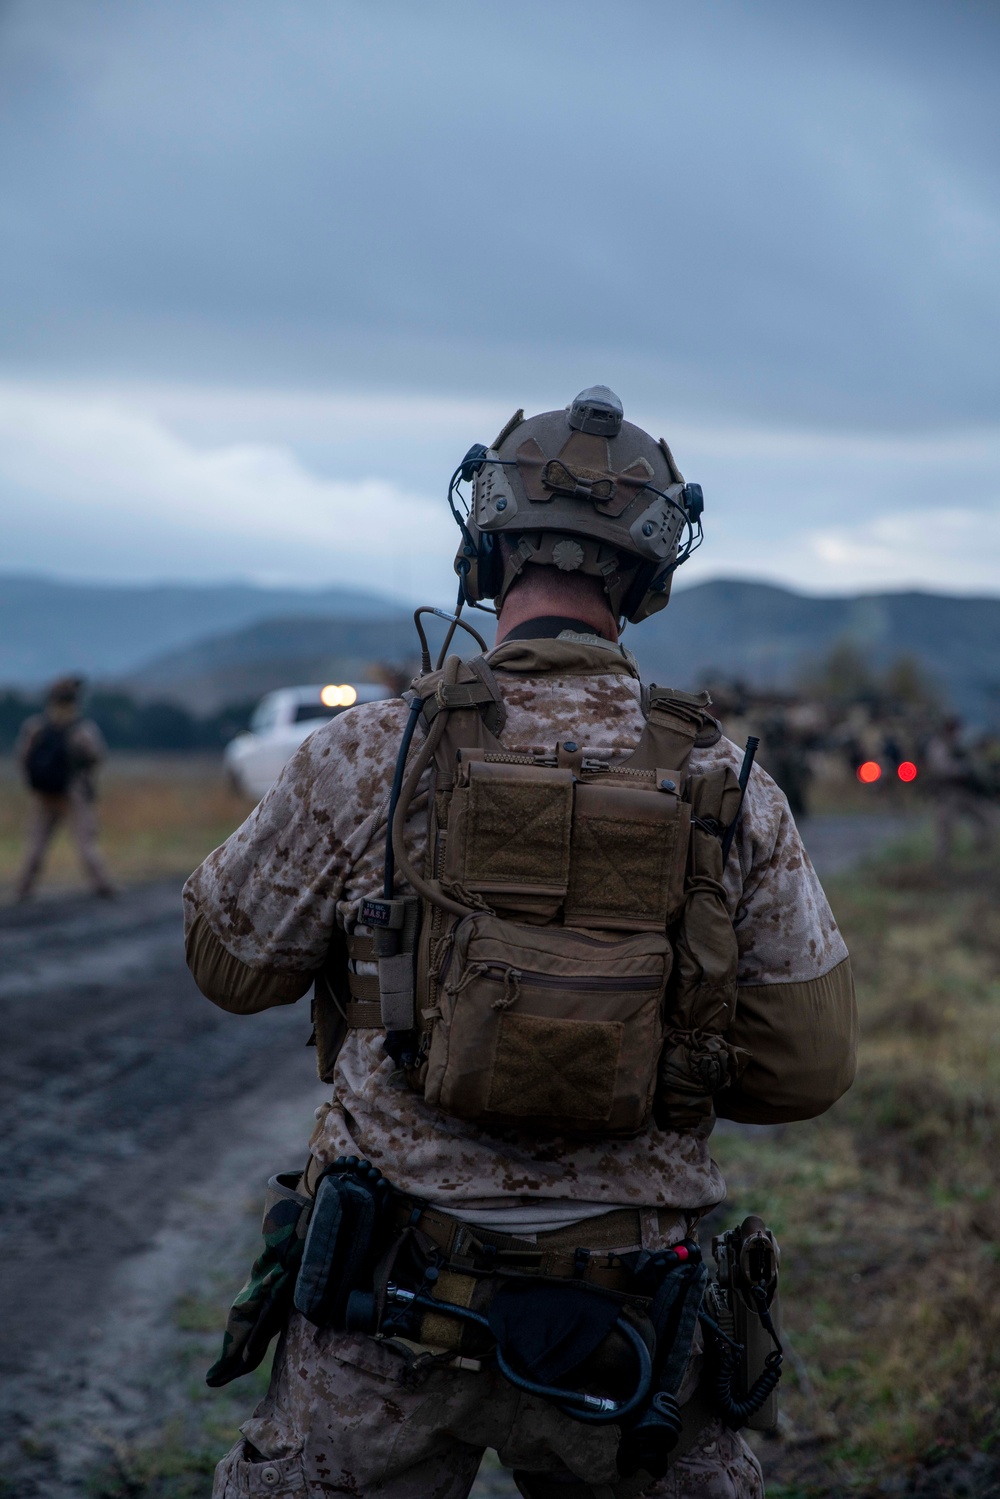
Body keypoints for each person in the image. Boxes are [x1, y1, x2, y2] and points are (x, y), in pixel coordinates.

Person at [185, 389, 857, 1499]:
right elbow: (808, 1065)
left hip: (384, 1301)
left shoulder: (368, 751)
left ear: (483, 546)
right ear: (645, 577)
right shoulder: (731, 785)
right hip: (629, 1310)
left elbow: (230, 964)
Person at [14, 675, 115, 901]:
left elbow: (22, 759)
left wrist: (34, 783)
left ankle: (23, 888)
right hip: (72, 793)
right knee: (86, 843)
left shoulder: (36, 727)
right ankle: (102, 886)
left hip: (43, 795)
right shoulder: (82, 729)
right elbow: (97, 756)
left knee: (36, 844)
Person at [924, 716, 997, 865]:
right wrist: (964, 769)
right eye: (953, 728)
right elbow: (942, 768)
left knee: (986, 820)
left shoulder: (958, 744)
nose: (955, 732)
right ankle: (941, 863)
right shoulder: (938, 745)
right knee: (945, 828)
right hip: (947, 792)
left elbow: (976, 764)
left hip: (965, 792)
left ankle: (982, 853)